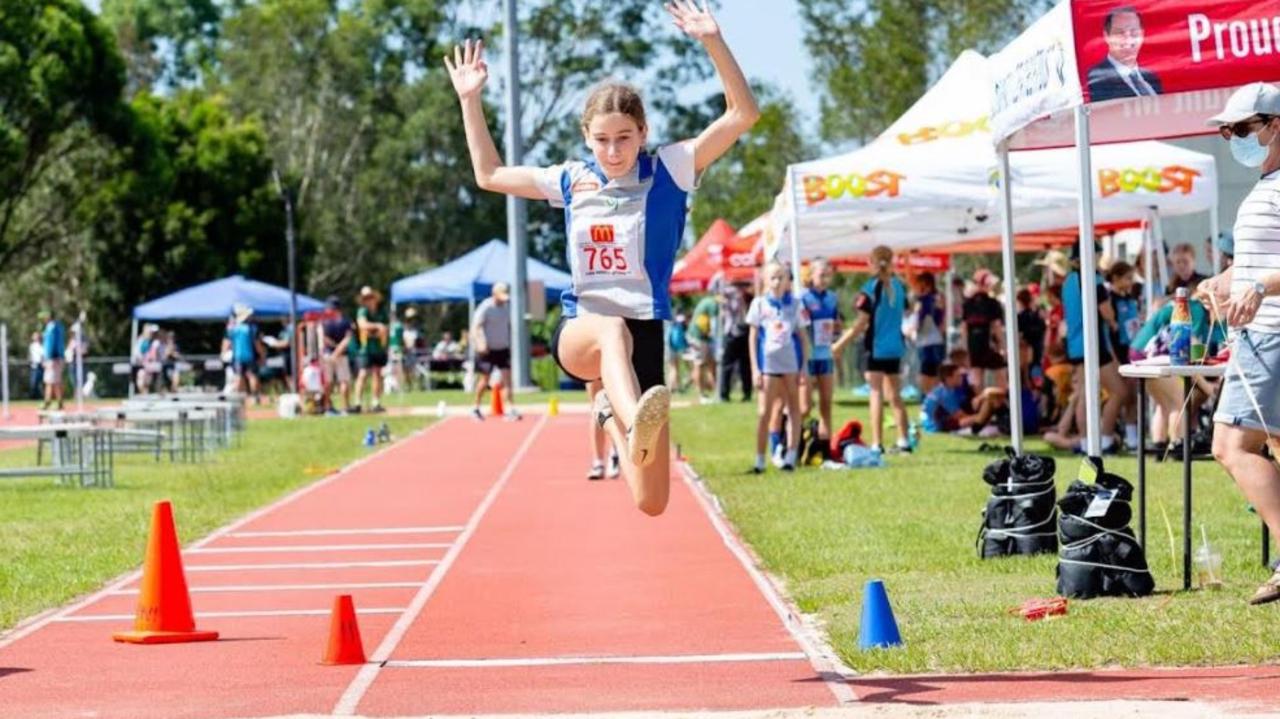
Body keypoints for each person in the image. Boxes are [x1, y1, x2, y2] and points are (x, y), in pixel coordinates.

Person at [445, 0, 758, 515]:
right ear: (586, 139)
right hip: (583, 330)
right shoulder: (572, 178)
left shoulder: (671, 170)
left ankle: (613, 413)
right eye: (602, 140)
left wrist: (711, 40)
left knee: (651, 501)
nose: (613, 151)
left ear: (644, 134)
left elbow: (742, 114)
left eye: (624, 139)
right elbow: (489, 174)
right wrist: (470, 100)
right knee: (611, 329)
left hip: (648, 328)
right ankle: (630, 416)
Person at [1199, 81, 1280, 604]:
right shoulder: (1263, 185)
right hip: (1262, 333)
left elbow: (1266, 275)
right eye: (1229, 131)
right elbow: (1255, 264)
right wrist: (1222, 283)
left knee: (1230, 445)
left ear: (1275, 126)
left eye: (1243, 128)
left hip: (1271, 333)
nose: (1234, 139)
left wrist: (1257, 286)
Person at [834, 245, 911, 454]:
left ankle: (877, 443)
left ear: (871, 263)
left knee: (876, 393)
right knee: (895, 395)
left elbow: (860, 323)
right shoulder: (899, 286)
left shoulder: (870, 289)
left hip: (876, 347)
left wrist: (839, 345)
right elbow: (906, 309)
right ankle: (904, 440)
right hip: (895, 346)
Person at [1061, 244, 1129, 453]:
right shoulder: (1094, 279)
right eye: (1098, 255)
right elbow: (1106, 311)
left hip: (1075, 345)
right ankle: (1106, 439)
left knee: (1084, 395)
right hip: (1094, 343)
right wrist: (1113, 322)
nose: (1099, 259)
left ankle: (1085, 443)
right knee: (1119, 391)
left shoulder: (1068, 282)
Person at [747, 262, 809, 473]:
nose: (777, 281)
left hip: (790, 364)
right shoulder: (759, 304)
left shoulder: (795, 305)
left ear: (787, 280)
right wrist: (755, 368)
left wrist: (803, 368)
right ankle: (759, 459)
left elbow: (803, 337)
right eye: (772, 277)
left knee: (794, 408)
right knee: (764, 411)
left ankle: (791, 456)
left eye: (781, 277)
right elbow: (753, 337)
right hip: (768, 365)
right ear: (765, 279)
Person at [800, 258, 841, 449]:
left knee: (826, 402)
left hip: (825, 355)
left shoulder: (832, 298)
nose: (825, 279)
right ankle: (790, 438)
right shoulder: (803, 297)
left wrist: (836, 334)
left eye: (828, 275)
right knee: (804, 407)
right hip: (807, 357)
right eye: (821, 275)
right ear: (811, 275)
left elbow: (835, 322)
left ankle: (825, 447)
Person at [1085, 5, 1163, 103]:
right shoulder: (1094, 80)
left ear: (1142, 35)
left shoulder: (1151, 78)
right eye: (1119, 33)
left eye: (1134, 33)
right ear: (1106, 36)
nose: (1128, 40)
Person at [470, 282, 516, 421]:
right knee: (484, 380)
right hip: (487, 350)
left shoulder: (506, 307)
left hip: (503, 348)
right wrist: (480, 344)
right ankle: (476, 408)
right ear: (494, 293)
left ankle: (511, 409)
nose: (503, 299)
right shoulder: (486, 307)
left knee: (507, 380)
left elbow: (508, 326)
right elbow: (476, 327)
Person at [960, 269, 1006, 392]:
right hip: (990, 344)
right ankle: (1003, 405)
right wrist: (1002, 346)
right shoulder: (993, 303)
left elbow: (964, 328)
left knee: (977, 377)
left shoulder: (967, 303)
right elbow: (996, 326)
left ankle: (979, 406)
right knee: (1000, 376)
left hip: (973, 345)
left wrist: (966, 348)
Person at [353, 286, 389, 413]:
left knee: (377, 374)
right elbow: (362, 325)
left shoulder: (381, 312)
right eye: (366, 298)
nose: (369, 300)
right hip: (365, 348)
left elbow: (386, 329)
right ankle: (357, 403)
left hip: (378, 348)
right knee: (362, 374)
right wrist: (377, 327)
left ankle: (376, 402)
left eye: (370, 297)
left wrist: (377, 330)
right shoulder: (362, 311)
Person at [908, 271, 945, 395]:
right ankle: (933, 401)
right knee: (934, 372)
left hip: (927, 342)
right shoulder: (938, 298)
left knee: (927, 373)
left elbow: (919, 321)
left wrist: (912, 329)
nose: (916, 287)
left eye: (918, 284)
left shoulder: (924, 300)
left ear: (925, 284)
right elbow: (941, 321)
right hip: (935, 341)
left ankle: (928, 401)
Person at [718, 283, 753, 401]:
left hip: (737, 331)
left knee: (740, 364)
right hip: (735, 331)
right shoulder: (731, 291)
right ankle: (727, 393)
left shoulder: (742, 292)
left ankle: (740, 393)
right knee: (736, 364)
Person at [222, 304, 264, 404]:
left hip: (237, 356)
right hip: (250, 356)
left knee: (238, 376)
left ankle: (239, 398)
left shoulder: (232, 329)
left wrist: (223, 353)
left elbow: (226, 343)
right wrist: (262, 355)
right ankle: (255, 396)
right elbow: (257, 344)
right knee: (252, 375)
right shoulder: (252, 328)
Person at [321, 296, 354, 414]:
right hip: (341, 354)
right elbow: (347, 339)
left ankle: (327, 407)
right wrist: (338, 351)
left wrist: (334, 350)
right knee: (343, 380)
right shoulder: (346, 322)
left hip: (327, 354)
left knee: (328, 381)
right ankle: (345, 407)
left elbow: (324, 338)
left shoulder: (325, 322)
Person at [585, 379, 620, 480]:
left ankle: (615, 452)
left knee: (614, 403)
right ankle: (598, 462)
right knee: (596, 405)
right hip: (593, 365)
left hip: (614, 363)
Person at [687, 291, 719, 403]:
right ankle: (701, 395)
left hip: (702, 338)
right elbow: (714, 325)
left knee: (711, 363)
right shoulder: (713, 304)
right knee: (699, 364)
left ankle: (715, 392)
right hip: (698, 338)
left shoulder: (706, 301)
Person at [37, 311, 65, 410]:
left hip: (54, 359)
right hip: (53, 358)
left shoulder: (53, 328)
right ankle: (55, 402)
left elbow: (53, 345)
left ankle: (50, 402)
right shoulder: (53, 327)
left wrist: (52, 357)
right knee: (53, 381)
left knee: (52, 381)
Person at [665, 313, 689, 391]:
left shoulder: (671, 325)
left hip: (669, 348)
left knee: (672, 368)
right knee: (674, 369)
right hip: (674, 349)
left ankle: (676, 387)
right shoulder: (679, 327)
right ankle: (670, 388)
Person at [27, 331, 43, 400]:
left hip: (41, 365)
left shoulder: (42, 345)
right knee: (33, 383)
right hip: (34, 366)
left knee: (42, 382)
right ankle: (34, 397)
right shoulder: (32, 346)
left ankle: (42, 397)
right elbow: (30, 356)